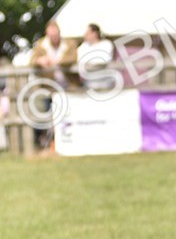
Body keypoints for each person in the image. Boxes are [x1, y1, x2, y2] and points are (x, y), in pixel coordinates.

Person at [29, 20, 78, 149]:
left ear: (59, 33)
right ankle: (49, 143)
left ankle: (70, 141)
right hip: (49, 88)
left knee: (70, 114)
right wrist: (40, 60)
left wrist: (57, 61)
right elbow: (32, 60)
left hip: (69, 86)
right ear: (47, 34)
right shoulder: (41, 45)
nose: (54, 37)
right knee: (47, 116)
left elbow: (73, 57)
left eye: (56, 34)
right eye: (51, 35)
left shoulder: (69, 43)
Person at [77, 23, 115, 92]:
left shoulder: (106, 44)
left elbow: (103, 60)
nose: (85, 35)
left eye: (88, 33)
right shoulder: (83, 47)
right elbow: (81, 61)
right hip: (88, 83)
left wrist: (90, 63)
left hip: (106, 82)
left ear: (95, 33)